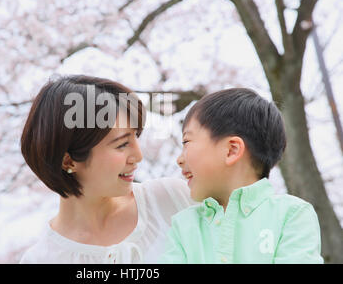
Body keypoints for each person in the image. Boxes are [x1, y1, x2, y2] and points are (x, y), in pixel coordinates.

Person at [19, 75, 195, 263]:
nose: (138, 156)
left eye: (136, 137)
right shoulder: (41, 259)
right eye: (121, 144)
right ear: (68, 161)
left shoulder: (173, 199)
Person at [159, 88, 324, 263]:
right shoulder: (183, 225)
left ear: (232, 150)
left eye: (186, 142)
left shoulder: (291, 214)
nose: (179, 159)